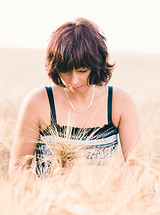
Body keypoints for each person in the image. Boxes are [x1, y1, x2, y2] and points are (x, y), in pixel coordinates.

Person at [9, 18, 145, 179]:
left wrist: (88, 174)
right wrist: (48, 190)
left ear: (96, 65)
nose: (74, 81)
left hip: (103, 202)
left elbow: (139, 171)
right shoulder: (38, 102)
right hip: (48, 202)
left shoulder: (120, 102)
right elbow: (17, 171)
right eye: (65, 71)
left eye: (82, 70)